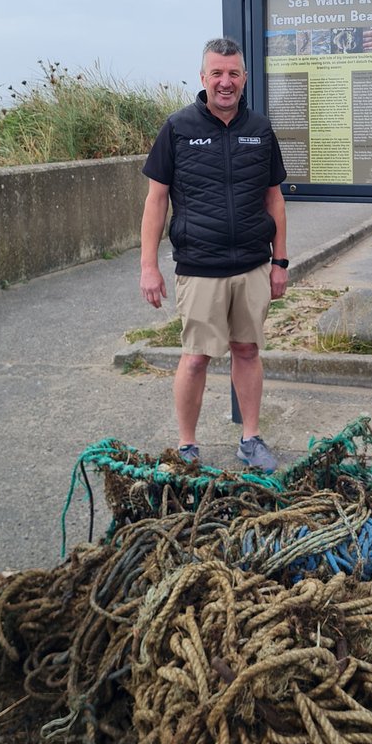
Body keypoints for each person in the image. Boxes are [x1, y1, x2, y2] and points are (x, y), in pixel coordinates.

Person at [139, 37, 288, 471]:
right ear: (203, 78)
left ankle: (250, 439)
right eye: (217, 73)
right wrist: (148, 266)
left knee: (247, 351)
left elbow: (274, 198)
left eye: (233, 73)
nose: (226, 82)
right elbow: (156, 200)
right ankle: (187, 446)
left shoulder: (260, 130)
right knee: (196, 357)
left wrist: (279, 261)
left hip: (251, 265)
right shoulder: (178, 128)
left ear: (244, 78)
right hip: (199, 267)